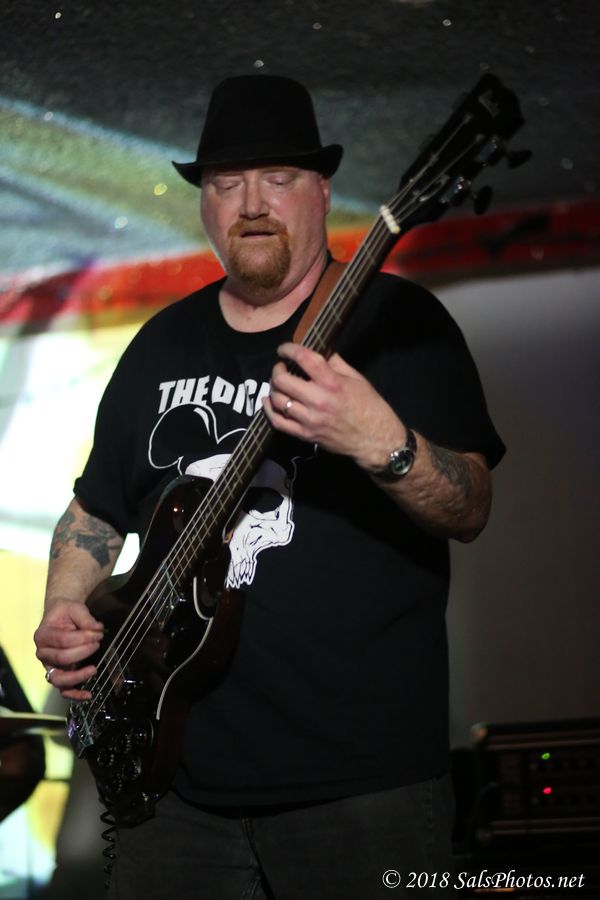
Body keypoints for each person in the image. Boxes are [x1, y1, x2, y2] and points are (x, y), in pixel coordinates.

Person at [34, 75, 505, 899]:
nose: (252, 203)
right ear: (205, 206)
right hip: (171, 790)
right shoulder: (159, 346)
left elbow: (470, 506)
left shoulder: (403, 324)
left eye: (278, 179)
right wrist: (64, 608)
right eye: (227, 184)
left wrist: (380, 441)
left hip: (363, 788)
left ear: (321, 192)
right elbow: (96, 511)